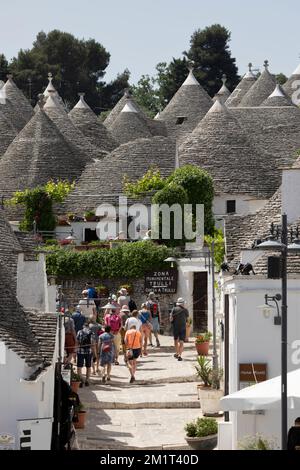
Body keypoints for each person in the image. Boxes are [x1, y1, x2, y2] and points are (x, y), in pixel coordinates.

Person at [76, 321, 93, 386]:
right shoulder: (91, 332)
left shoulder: (79, 332)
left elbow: (77, 341)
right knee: (88, 366)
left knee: (79, 367)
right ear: (88, 326)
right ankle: (87, 380)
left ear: (83, 326)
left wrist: (75, 350)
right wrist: (94, 353)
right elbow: (92, 343)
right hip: (89, 352)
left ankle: (80, 380)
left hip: (80, 351)